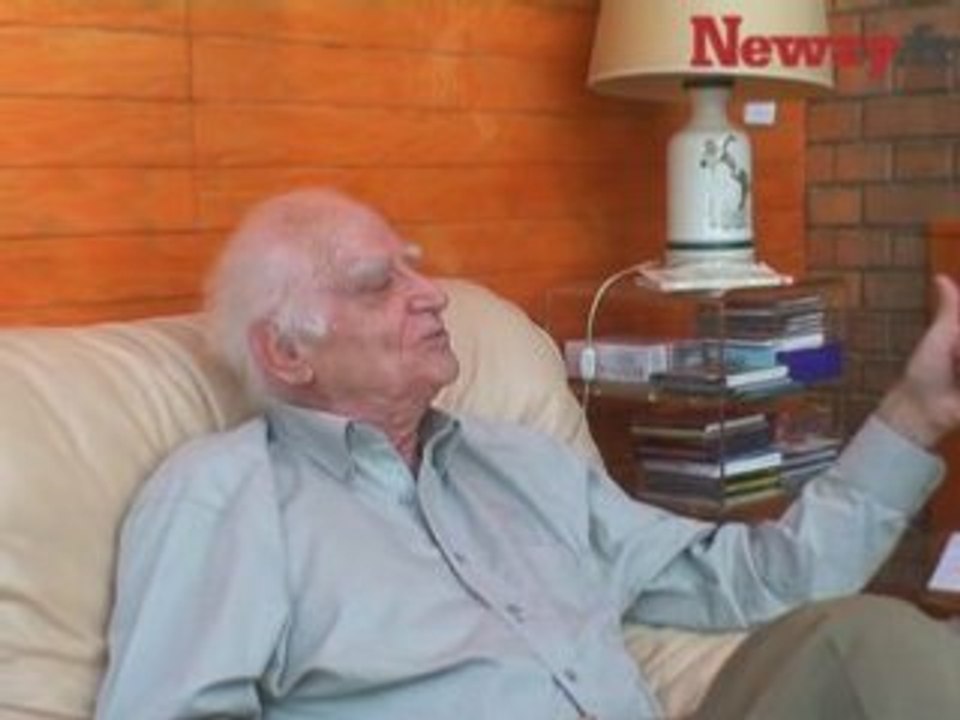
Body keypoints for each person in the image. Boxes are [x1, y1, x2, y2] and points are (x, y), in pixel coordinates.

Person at [95, 188, 960, 720]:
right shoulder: (226, 496)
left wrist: (917, 412)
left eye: (414, 270)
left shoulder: (521, 464)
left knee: (871, 641)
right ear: (288, 352)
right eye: (378, 284)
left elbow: (759, 581)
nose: (432, 295)